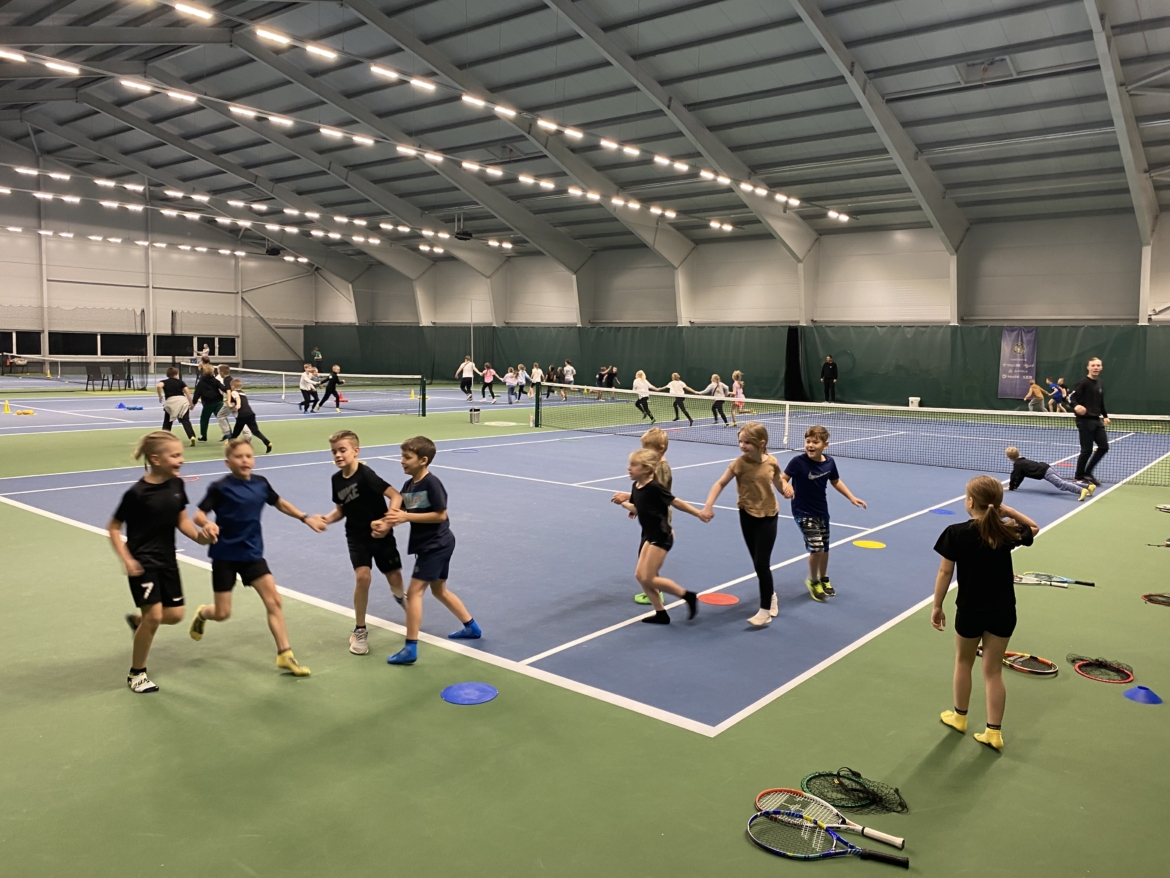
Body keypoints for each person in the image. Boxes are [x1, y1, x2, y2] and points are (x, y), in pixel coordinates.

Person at [189, 438, 320, 676]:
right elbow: (198, 515)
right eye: (238, 457)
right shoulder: (220, 487)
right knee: (222, 613)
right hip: (224, 555)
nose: (244, 460)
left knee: (274, 601)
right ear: (228, 462)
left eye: (248, 456)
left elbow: (279, 503)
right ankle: (202, 613)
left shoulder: (261, 484)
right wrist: (207, 524)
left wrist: (305, 517)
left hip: (251, 554)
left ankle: (285, 654)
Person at [932, 475, 1039, 751]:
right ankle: (993, 733)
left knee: (963, 662)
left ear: (970, 502)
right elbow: (1033, 527)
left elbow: (945, 572)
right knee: (993, 672)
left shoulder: (955, 532)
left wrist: (937, 606)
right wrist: (1008, 512)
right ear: (997, 505)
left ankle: (959, 717)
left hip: (969, 610)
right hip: (1003, 612)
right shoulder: (1006, 532)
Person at [109, 431, 211, 693]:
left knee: (175, 616)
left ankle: (138, 622)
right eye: (175, 455)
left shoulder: (177, 485)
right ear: (155, 459)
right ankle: (137, 674)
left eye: (181, 454)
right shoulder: (137, 493)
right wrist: (126, 559)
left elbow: (182, 520)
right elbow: (113, 527)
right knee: (154, 616)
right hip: (142, 562)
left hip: (167, 560)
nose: (181, 459)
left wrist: (200, 538)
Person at [381, 436, 480, 665]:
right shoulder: (409, 486)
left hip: (436, 544)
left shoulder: (431, 483)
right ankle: (472, 627)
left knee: (414, 593)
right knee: (439, 590)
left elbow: (440, 515)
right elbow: (399, 513)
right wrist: (383, 523)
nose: (402, 461)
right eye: (402, 456)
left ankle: (410, 648)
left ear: (423, 460)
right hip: (434, 544)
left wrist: (406, 516)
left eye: (407, 457)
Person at [318, 430, 406, 656]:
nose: (338, 455)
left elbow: (396, 496)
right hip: (356, 536)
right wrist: (327, 519)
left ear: (356, 451)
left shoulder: (367, 475)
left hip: (381, 535)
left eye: (342, 450)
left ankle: (400, 598)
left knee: (395, 578)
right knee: (362, 576)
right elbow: (341, 510)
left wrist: (387, 522)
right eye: (334, 452)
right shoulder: (336, 480)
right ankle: (359, 630)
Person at [701, 422, 786, 627]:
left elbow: (777, 481)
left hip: (769, 515)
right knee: (757, 561)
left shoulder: (772, 462)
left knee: (762, 563)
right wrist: (708, 505)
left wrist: (786, 488)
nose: (742, 445)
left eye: (747, 442)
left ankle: (764, 610)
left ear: (761, 443)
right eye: (740, 441)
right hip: (747, 515)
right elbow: (720, 483)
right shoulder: (739, 464)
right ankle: (770, 595)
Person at [610, 449, 703, 625]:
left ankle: (687, 596)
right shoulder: (636, 486)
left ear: (646, 469)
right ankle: (661, 614)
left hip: (661, 536)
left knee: (649, 577)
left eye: (633, 465)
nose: (629, 468)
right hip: (649, 535)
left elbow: (676, 502)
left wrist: (698, 513)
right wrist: (625, 504)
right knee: (640, 575)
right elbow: (639, 508)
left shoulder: (655, 487)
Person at [780, 425, 867, 601]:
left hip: (821, 511)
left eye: (815, 442)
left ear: (825, 445)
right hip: (803, 512)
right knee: (817, 548)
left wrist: (851, 497)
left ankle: (823, 578)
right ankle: (813, 581)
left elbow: (835, 481)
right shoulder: (798, 462)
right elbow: (782, 478)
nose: (810, 445)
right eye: (808, 441)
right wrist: (786, 486)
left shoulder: (829, 462)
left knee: (825, 548)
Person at [1072, 357, 1109, 486]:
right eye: (1093, 365)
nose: (1096, 367)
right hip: (1084, 421)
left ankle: (1087, 473)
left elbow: (1100, 402)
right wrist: (1076, 406)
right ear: (1088, 367)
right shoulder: (1083, 383)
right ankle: (1078, 477)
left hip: (1096, 420)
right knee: (1086, 450)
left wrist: (1105, 416)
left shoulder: (1100, 383)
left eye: (1098, 365)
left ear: (1101, 367)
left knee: (1104, 447)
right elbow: (1070, 397)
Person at [1005, 446, 1092, 501]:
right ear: (1018, 453)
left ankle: (1081, 490)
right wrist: (1015, 486)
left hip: (1045, 473)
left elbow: (1015, 476)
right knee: (1063, 482)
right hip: (1047, 467)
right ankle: (1088, 487)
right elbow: (1020, 476)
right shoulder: (1022, 460)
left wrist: (1011, 487)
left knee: (1061, 485)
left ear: (1009, 458)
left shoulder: (1018, 465)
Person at [227, 378, 273, 454]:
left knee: (235, 433)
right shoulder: (243, 393)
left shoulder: (234, 392)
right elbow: (238, 399)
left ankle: (229, 446)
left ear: (233, 387)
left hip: (242, 415)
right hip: (250, 414)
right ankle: (268, 443)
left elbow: (237, 399)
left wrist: (238, 404)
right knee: (255, 431)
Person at [156, 366, 197, 447]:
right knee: (185, 420)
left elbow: (159, 386)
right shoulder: (180, 382)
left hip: (171, 402)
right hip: (182, 401)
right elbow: (187, 392)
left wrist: (160, 396)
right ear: (176, 374)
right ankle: (191, 436)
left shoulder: (164, 381)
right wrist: (191, 404)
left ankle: (164, 438)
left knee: (167, 421)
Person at [192, 363, 228, 443]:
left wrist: (193, 402)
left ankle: (203, 436)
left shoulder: (201, 382)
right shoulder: (216, 381)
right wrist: (230, 392)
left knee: (204, 419)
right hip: (218, 402)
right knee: (222, 418)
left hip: (208, 403)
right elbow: (224, 388)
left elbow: (197, 393)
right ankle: (229, 434)